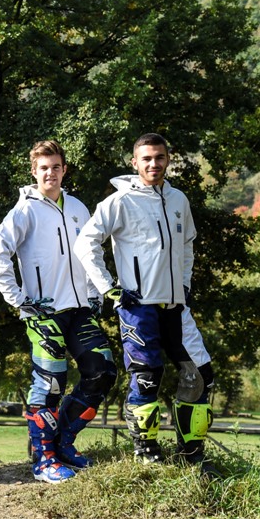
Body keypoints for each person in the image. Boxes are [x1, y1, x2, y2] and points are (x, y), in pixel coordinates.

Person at [75, 133, 217, 474]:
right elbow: (86, 244)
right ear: (134, 162)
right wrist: (109, 288)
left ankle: (191, 453)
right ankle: (146, 451)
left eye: (159, 157)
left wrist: (184, 284)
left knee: (200, 375)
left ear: (168, 159)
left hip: (175, 305)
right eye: (147, 159)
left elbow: (187, 246)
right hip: (138, 307)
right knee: (147, 377)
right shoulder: (120, 201)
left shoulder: (179, 199)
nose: (153, 164)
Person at [0, 140, 117, 483]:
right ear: (34, 171)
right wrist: (18, 300)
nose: (50, 173)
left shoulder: (77, 207)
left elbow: (91, 254)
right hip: (44, 313)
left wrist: (93, 295)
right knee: (50, 385)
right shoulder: (24, 210)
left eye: (56, 167)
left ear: (64, 169)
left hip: (80, 310)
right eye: (43, 167)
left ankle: (63, 442)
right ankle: (43, 460)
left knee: (102, 371)